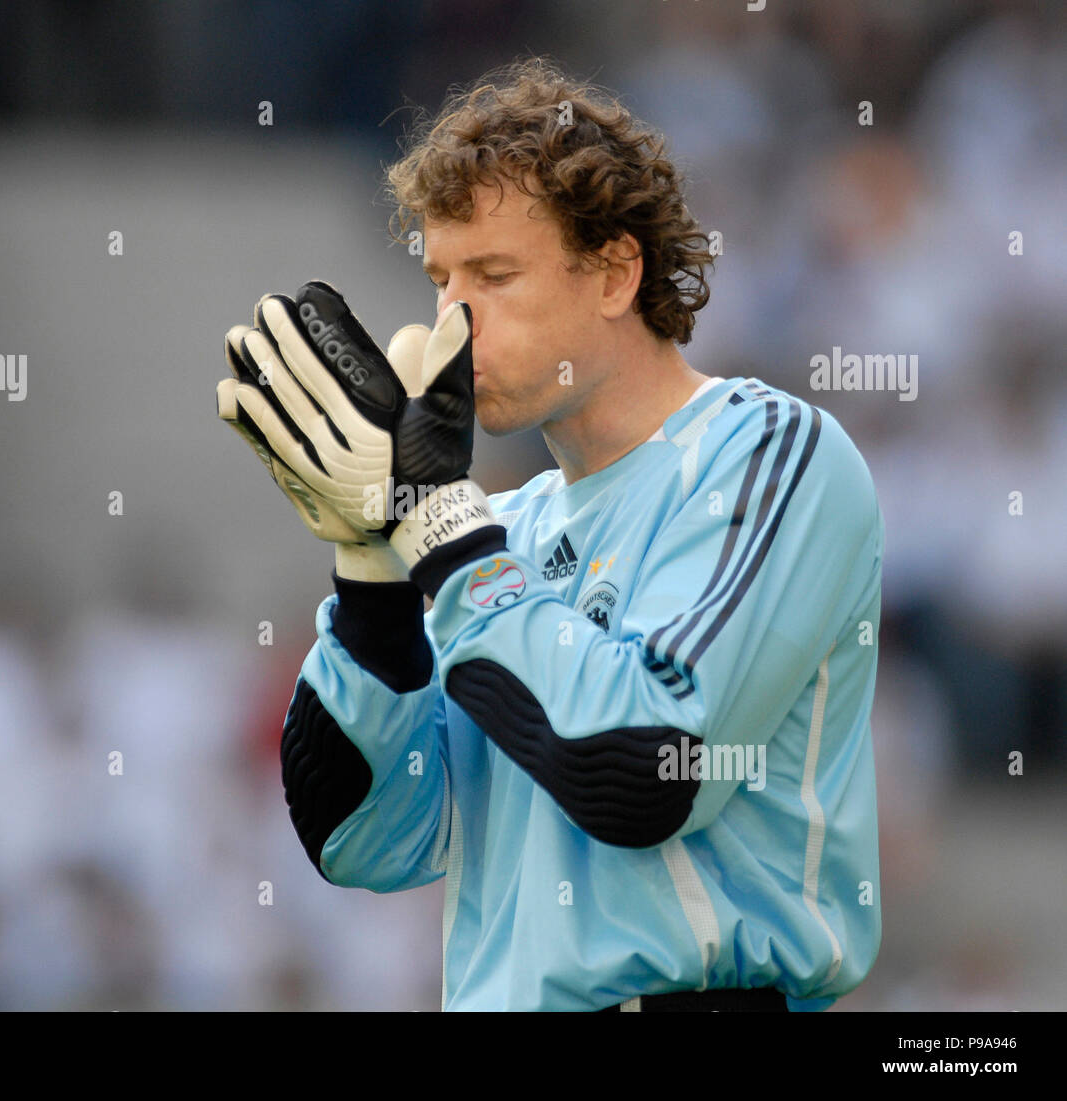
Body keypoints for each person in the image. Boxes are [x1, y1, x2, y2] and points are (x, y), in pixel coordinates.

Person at [216, 58, 883, 1012]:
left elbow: (649, 772)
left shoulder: (768, 451)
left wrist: (438, 527)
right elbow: (365, 839)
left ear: (616, 273)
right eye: (440, 278)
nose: (452, 318)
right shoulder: (502, 528)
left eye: (494, 275)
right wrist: (370, 570)